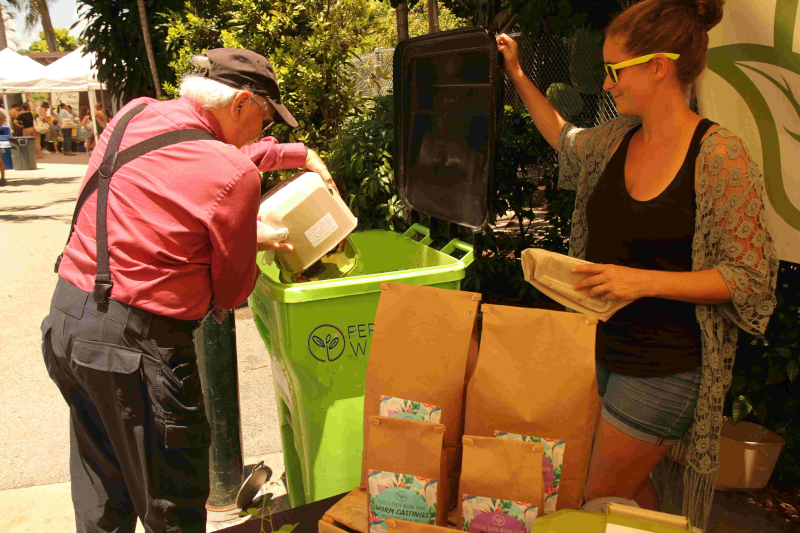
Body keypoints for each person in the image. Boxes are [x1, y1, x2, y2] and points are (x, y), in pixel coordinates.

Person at [497, 0, 778, 527]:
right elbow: (562, 134)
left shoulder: (720, 156)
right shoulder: (613, 141)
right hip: (598, 348)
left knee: (595, 492)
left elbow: (749, 277)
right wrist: (514, 72)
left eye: (614, 71)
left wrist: (639, 282)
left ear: (658, 65)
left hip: (664, 365)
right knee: (626, 490)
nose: (606, 85)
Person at [41, 48, 338, 533]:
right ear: (242, 103)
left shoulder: (133, 114)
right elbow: (229, 292)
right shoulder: (232, 174)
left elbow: (193, 155)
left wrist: (294, 153)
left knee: (102, 492)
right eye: (264, 122)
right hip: (139, 351)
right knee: (172, 508)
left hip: (68, 322)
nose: (263, 135)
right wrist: (249, 236)